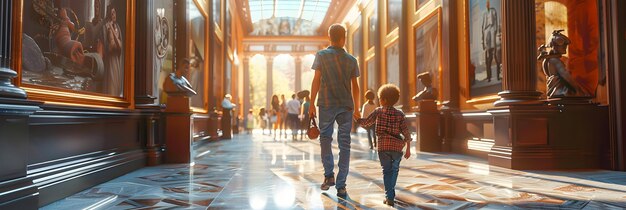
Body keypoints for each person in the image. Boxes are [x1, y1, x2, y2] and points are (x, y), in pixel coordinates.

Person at [309, 24, 360, 197]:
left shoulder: (321, 56)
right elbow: (356, 87)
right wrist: (357, 108)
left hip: (326, 104)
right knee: (345, 144)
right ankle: (341, 185)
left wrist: (311, 104)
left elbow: (316, 80)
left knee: (325, 138)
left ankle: (328, 175)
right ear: (343, 38)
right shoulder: (352, 60)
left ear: (329, 37)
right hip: (346, 105)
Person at [356, 84, 412, 207]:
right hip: (397, 148)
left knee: (386, 171)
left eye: (380, 98)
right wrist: (408, 149)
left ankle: (389, 196)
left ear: (384, 100)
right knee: (395, 170)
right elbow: (406, 132)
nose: (379, 100)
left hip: (383, 147)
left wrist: (356, 119)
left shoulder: (378, 111)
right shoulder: (400, 114)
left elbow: (366, 123)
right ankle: (390, 194)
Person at [104, 4, 124, 96]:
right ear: (109, 16)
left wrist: (113, 29)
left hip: (117, 60)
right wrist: (111, 29)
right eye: (112, 14)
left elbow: (120, 46)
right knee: (112, 85)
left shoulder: (117, 28)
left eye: (114, 12)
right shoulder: (108, 30)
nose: (114, 15)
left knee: (117, 84)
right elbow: (111, 47)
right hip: (111, 61)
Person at [481, 0, 501, 82]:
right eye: (486, 3)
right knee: (488, 57)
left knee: (496, 56)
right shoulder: (484, 13)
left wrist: (497, 34)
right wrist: (483, 40)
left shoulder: (493, 11)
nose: (487, 4)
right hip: (486, 33)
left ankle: (498, 76)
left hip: (493, 32)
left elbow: (496, 22)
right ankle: (488, 77)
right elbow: (482, 26)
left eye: (488, 3)